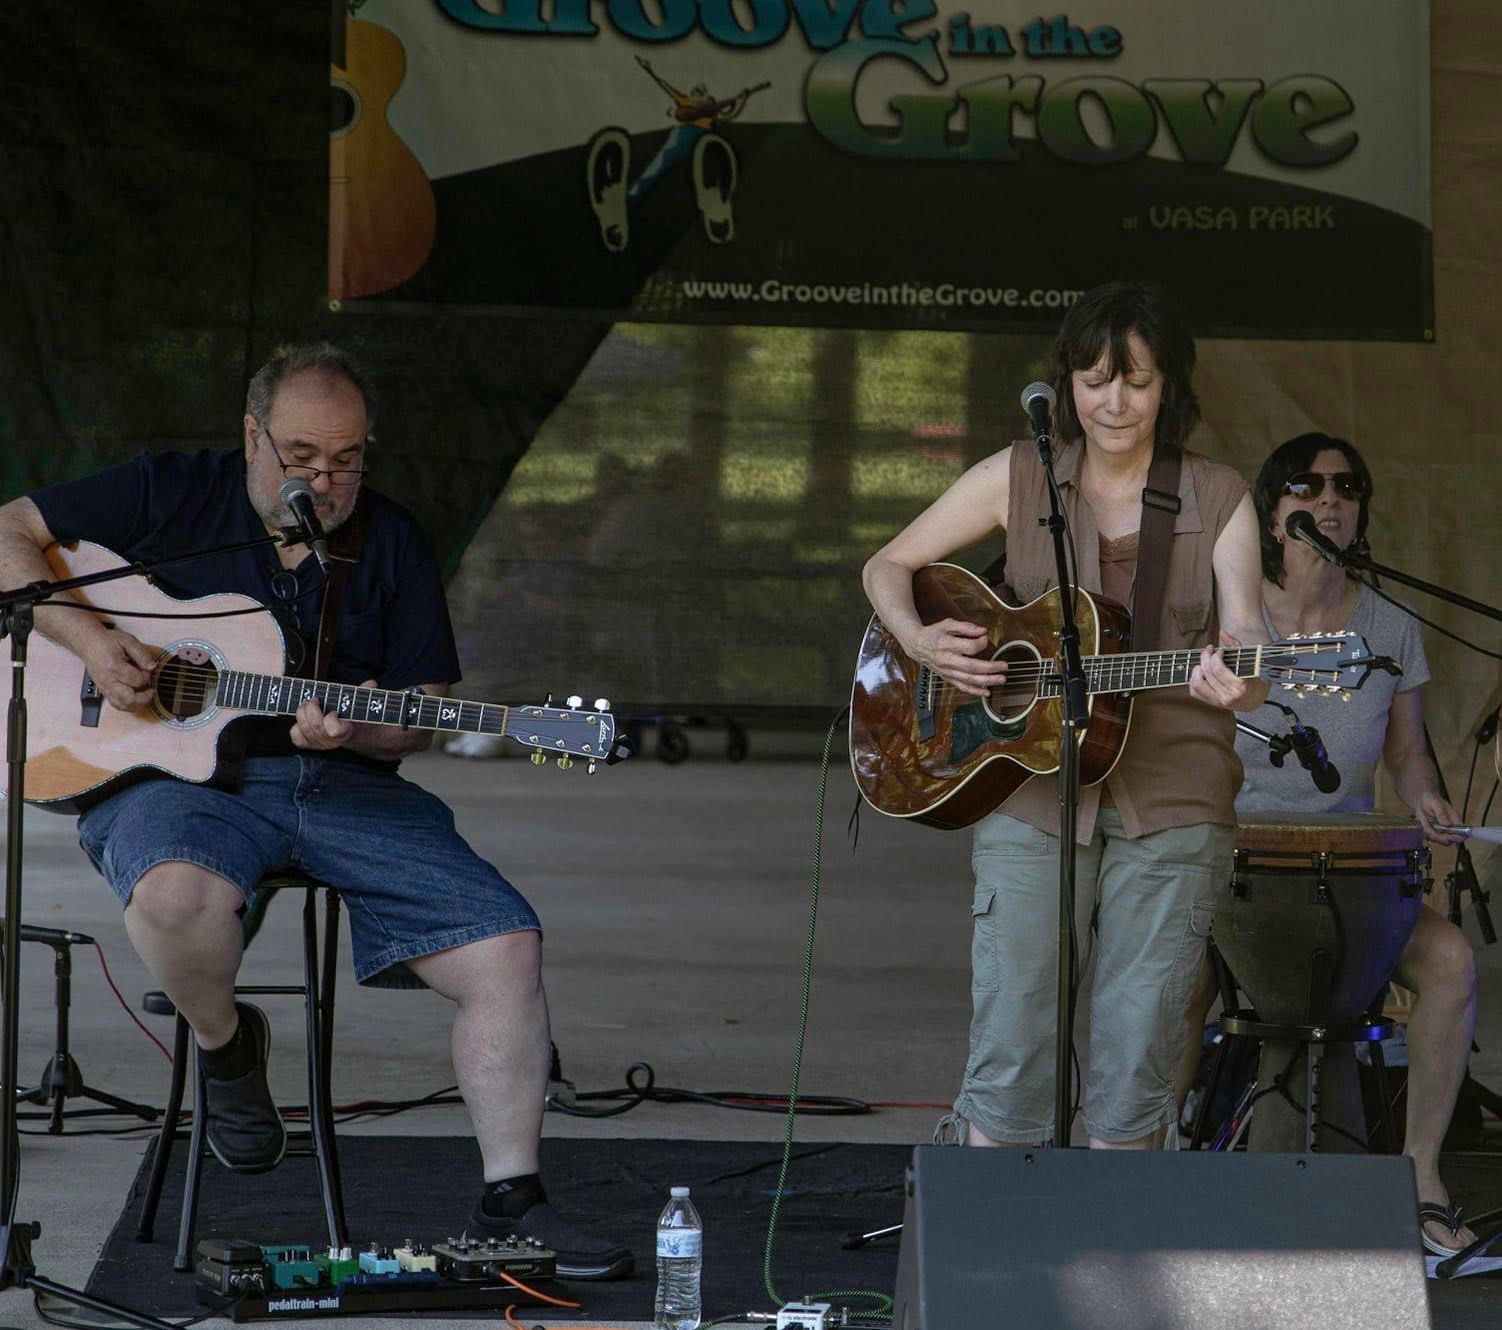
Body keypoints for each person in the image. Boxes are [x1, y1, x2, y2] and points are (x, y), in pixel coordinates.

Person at [0, 342, 632, 1280]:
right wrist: (93, 642)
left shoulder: (393, 538)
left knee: (506, 944)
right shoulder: (169, 490)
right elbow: (8, 531)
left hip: (342, 786)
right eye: (300, 458)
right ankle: (226, 1048)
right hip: (173, 784)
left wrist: (361, 731)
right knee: (172, 897)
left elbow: (416, 711)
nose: (324, 483)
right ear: (252, 437)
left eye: (347, 461)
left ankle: (513, 1201)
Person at [861, 281, 1270, 1150]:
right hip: (1029, 794)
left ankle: (1119, 1229)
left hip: (1174, 799)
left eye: (1137, 381)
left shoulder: (1220, 495)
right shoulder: (1019, 475)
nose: (1114, 402)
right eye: (1093, 381)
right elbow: (887, 566)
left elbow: (1251, 644)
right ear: (1066, 385)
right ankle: (989, 1223)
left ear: (1171, 386)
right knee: (1011, 1045)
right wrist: (923, 643)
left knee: (1140, 1052)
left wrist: (1241, 680)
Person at [1175, 432, 1478, 1258]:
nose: (1329, 501)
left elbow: (1406, 753)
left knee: (1451, 963)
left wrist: (1425, 796)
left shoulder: (1392, 626)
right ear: (1272, 514)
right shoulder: (1230, 617)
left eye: (1345, 488)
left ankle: (1420, 1177)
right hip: (1234, 866)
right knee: (1174, 967)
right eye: (1305, 488)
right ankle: (1157, 1161)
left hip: (1350, 874)